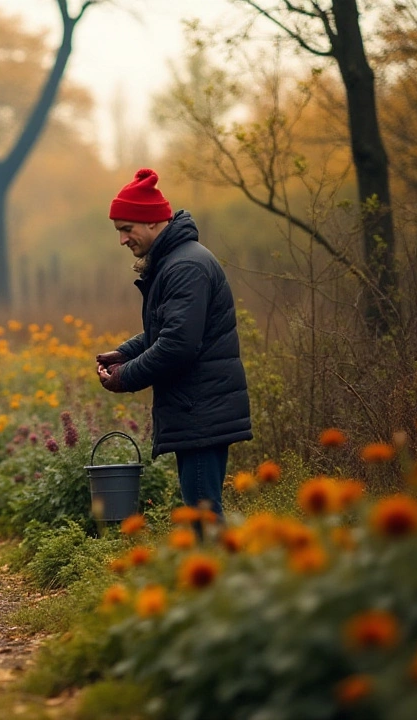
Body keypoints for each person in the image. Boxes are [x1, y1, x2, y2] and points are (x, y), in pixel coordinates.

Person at [96, 168, 252, 520]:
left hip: (200, 409)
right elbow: (168, 331)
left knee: (203, 514)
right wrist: (125, 352)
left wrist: (125, 377)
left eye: (126, 229)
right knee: (203, 509)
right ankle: (217, 571)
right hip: (195, 406)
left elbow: (178, 346)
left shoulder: (185, 267)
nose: (122, 240)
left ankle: (216, 574)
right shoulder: (175, 262)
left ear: (151, 222)